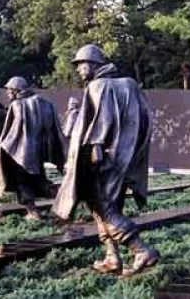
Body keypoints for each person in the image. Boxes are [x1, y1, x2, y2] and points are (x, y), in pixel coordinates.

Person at [52, 44, 158, 276]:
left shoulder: (97, 86)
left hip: (101, 160)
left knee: (104, 207)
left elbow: (102, 120)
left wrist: (96, 148)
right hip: (124, 159)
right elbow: (146, 120)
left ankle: (141, 250)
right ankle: (112, 257)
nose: (79, 70)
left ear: (94, 65)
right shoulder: (130, 85)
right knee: (103, 208)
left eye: (81, 65)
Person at [0, 76, 65, 220]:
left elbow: (9, 133)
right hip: (37, 151)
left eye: (9, 91)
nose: (7, 94)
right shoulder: (44, 103)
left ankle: (33, 212)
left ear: (15, 90)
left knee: (23, 182)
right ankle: (64, 199)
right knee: (39, 180)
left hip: (20, 152)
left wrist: (0, 150)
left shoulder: (17, 105)